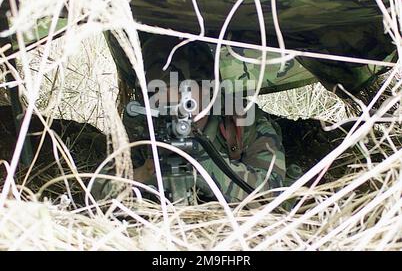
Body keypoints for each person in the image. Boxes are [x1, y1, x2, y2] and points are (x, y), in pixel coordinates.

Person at [97, 34, 286, 203]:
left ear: (208, 89)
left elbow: (270, 194)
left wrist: (200, 165)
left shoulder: (240, 118)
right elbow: (98, 189)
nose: (160, 100)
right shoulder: (142, 121)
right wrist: (144, 174)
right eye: (152, 92)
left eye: (178, 89)